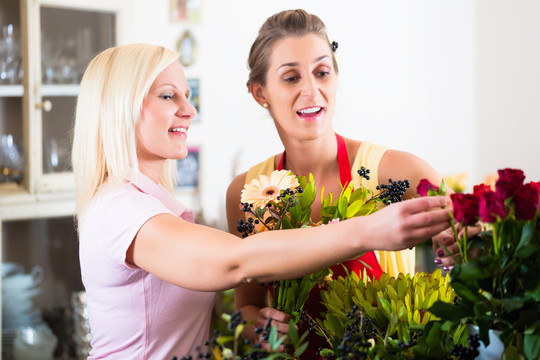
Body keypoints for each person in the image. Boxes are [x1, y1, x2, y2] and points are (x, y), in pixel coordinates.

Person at [71, 43, 451, 359]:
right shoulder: (120, 209)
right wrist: (370, 230)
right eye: (168, 96)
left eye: (188, 96)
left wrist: (257, 323)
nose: (189, 110)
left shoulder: (158, 206)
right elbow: (237, 261)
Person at [225, 9, 460, 358]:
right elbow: (246, 303)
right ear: (260, 93)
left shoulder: (394, 170)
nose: (312, 90)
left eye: (322, 72)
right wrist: (256, 326)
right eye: (291, 78)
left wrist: (457, 239)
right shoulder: (248, 190)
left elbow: (471, 227)